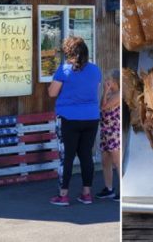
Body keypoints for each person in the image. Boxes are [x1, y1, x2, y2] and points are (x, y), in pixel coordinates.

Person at [48, 36, 102, 206]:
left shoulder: (64, 70)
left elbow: (52, 93)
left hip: (68, 118)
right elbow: (94, 90)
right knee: (86, 155)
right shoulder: (95, 70)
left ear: (68, 52)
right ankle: (87, 194)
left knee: (67, 157)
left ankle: (63, 195)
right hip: (91, 117)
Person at [95, 69, 120, 201]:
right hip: (105, 130)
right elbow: (101, 105)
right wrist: (105, 92)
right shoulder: (111, 93)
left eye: (108, 80)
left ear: (115, 81)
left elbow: (104, 107)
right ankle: (108, 188)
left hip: (114, 131)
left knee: (117, 161)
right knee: (105, 161)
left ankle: (123, 190)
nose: (106, 82)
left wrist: (105, 92)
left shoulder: (118, 95)